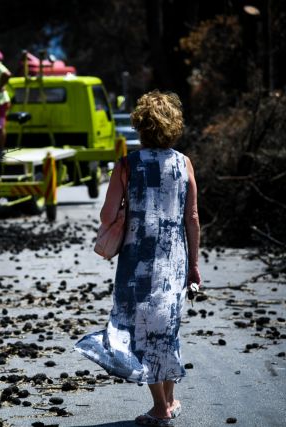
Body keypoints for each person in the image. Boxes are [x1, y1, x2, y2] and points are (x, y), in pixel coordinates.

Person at [75, 90, 201, 426]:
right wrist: (195, 268)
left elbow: (105, 216)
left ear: (140, 127)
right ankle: (170, 400)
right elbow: (192, 218)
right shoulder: (184, 163)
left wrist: (125, 208)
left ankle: (161, 407)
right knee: (166, 328)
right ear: (173, 126)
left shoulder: (127, 166)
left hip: (137, 262)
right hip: (174, 260)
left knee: (140, 332)